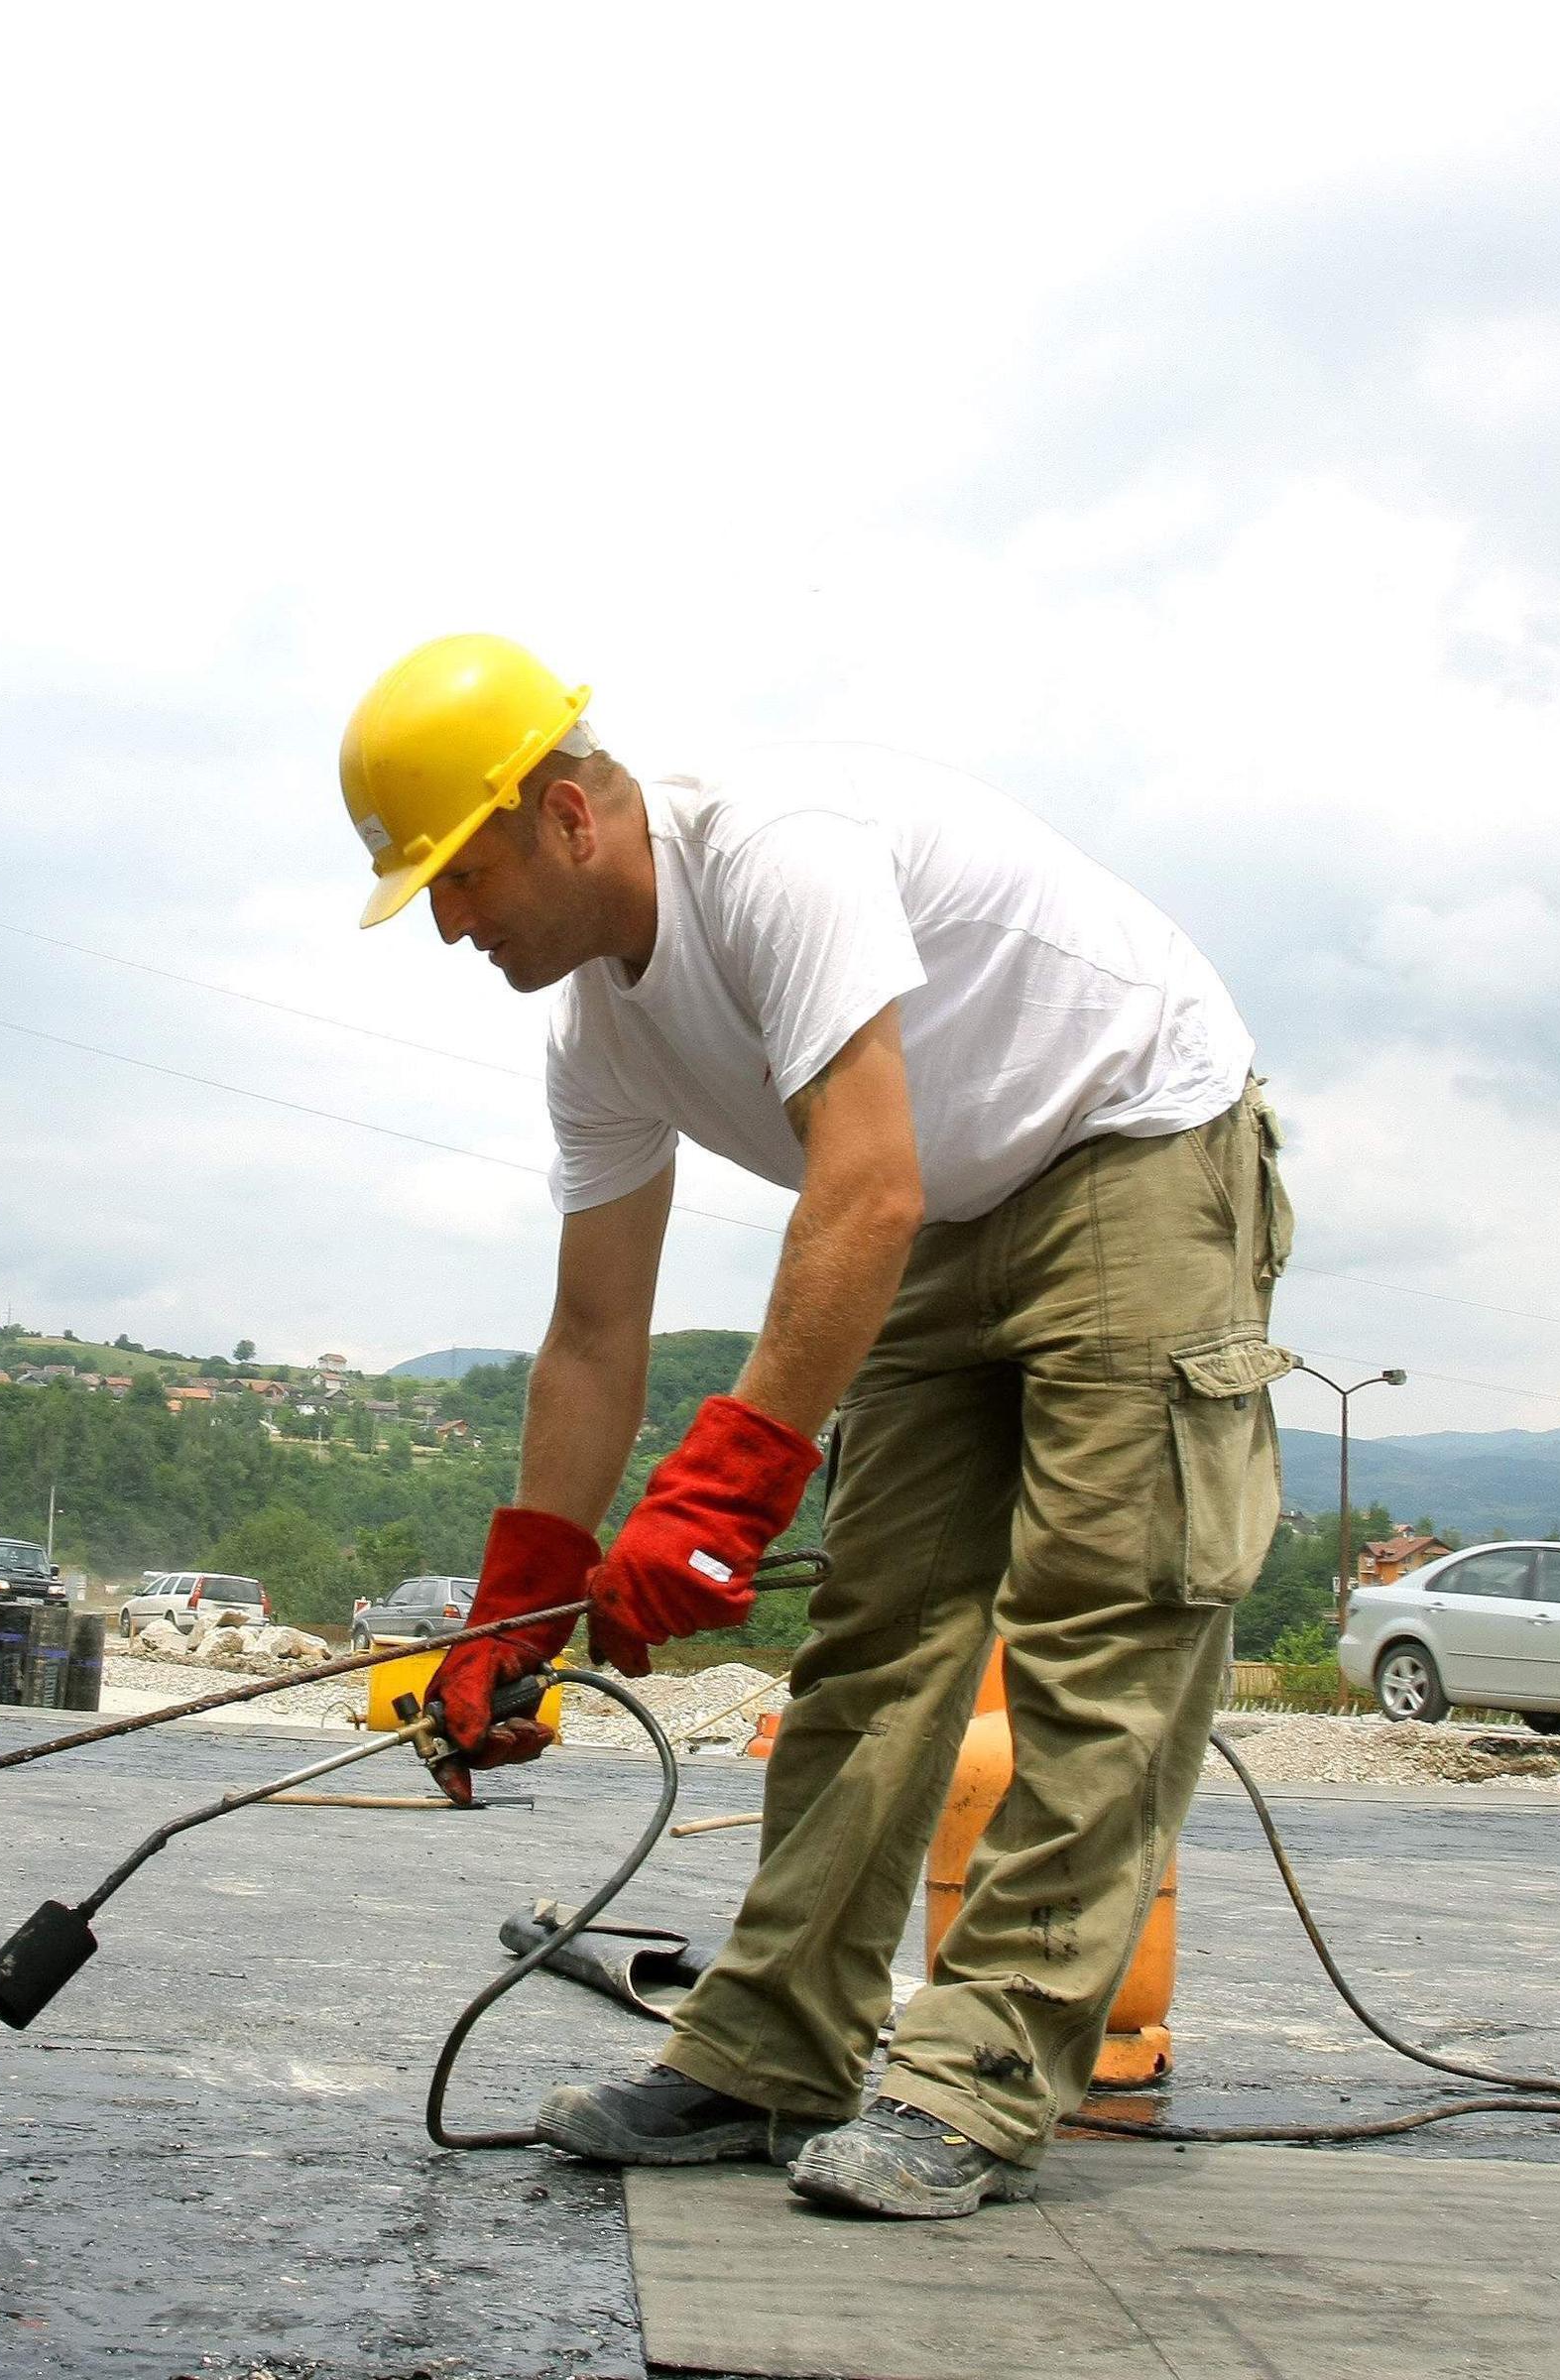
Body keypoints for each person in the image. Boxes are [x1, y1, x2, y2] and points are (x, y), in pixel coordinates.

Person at [340, 634, 1290, 2220]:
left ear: (568, 815)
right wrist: (525, 1598)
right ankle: (770, 2052)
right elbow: (592, 1336)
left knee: (1099, 1621)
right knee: (878, 1633)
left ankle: (977, 2075)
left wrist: (717, 1501)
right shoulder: (597, 1037)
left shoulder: (776, 852)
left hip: (1132, 1135)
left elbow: (865, 1182)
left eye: (458, 876)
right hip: (942, 1201)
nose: (447, 924)